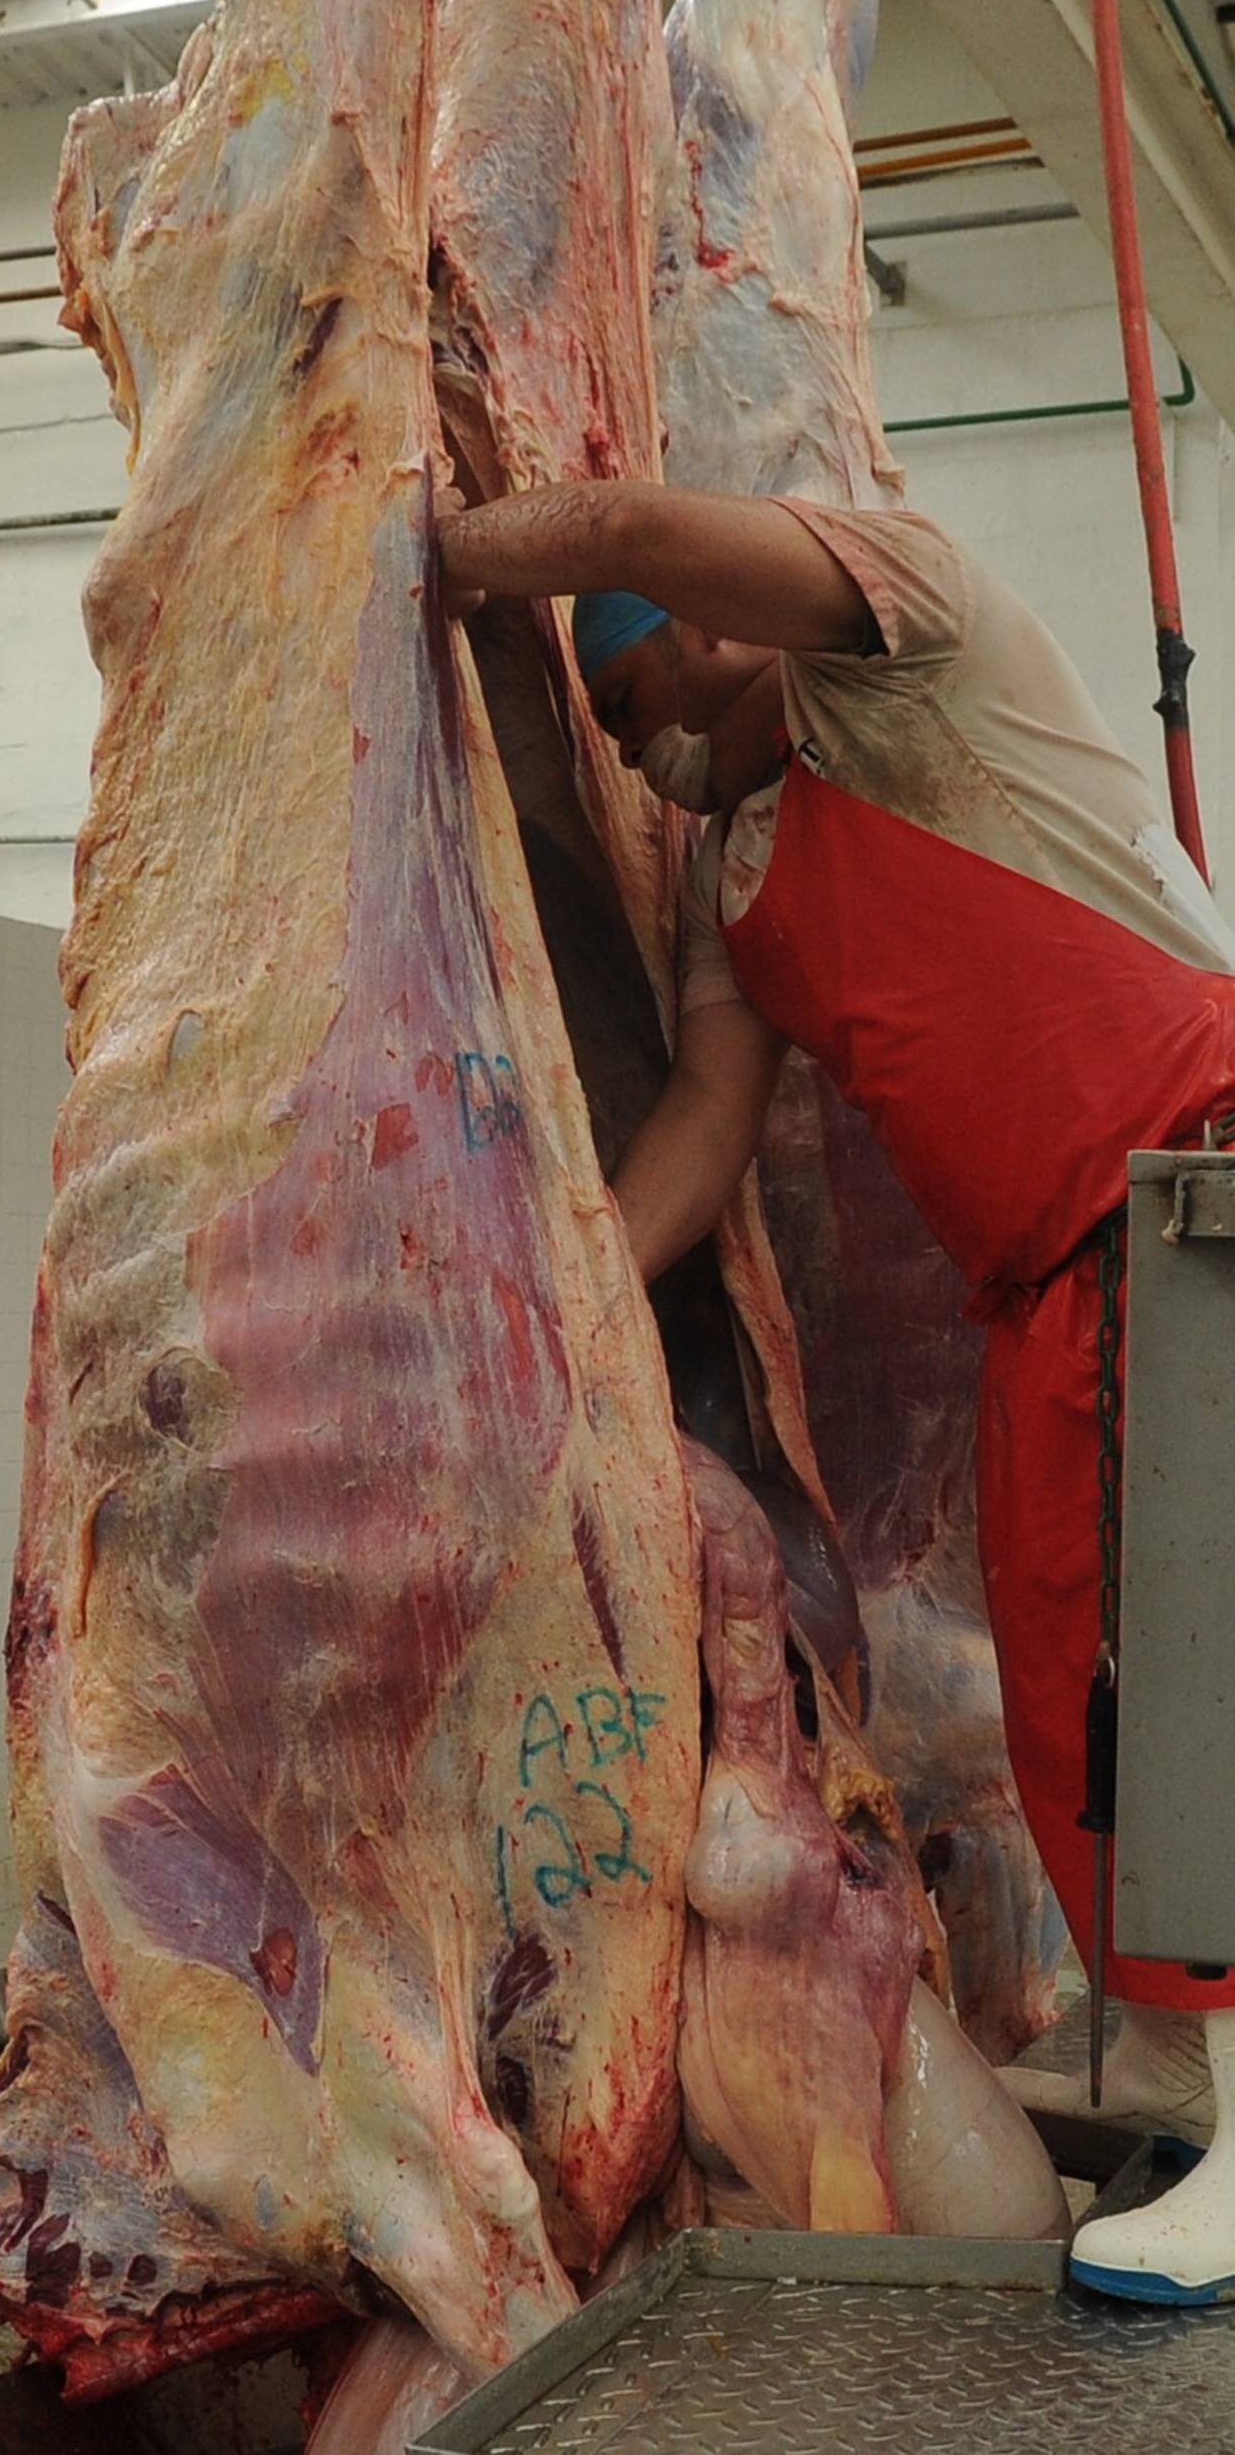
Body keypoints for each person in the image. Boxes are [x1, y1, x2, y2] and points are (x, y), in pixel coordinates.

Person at [438, 475, 1235, 2302]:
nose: (627, 759)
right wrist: (562, 1299)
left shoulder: (909, 631)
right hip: (1045, 1281)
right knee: (1081, 1703)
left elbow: (649, 528)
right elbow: (707, 1119)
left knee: (1206, 1682)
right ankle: (1191, 2068)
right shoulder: (733, 880)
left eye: (626, 705)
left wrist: (460, 552)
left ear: (703, 636)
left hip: (1195, 1194)